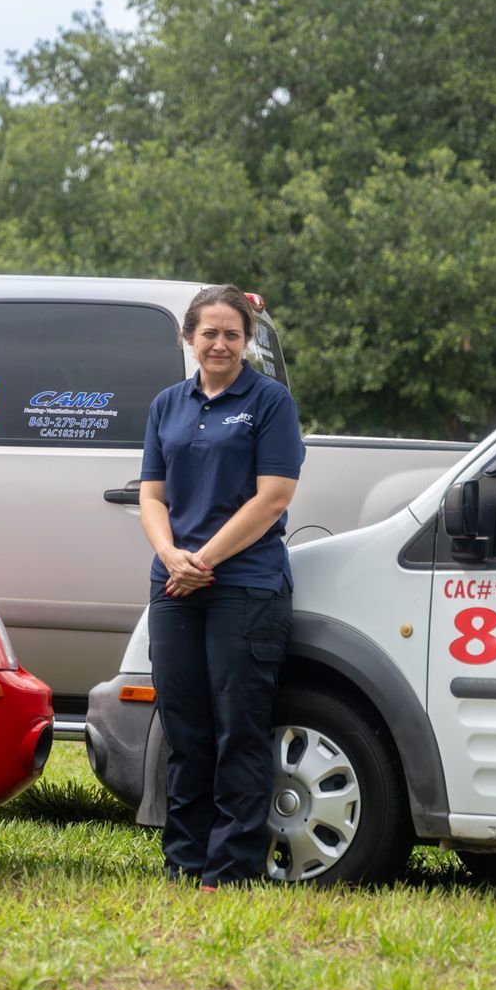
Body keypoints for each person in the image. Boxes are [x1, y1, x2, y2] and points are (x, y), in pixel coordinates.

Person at [139, 284, 304, 890]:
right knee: (185, 727)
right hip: (175, 585)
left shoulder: (269, 402)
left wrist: (201, 559)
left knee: (239, 725)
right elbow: (151, 495)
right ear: (189, 338)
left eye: (232, 333)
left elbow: (274, 497)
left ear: (248, 340)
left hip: (245, 583)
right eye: (208, 332)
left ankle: (229, 867)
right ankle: (185, 861)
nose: (220, 343)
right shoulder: (166, 405)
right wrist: (169, 555)